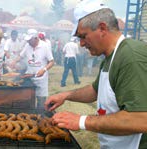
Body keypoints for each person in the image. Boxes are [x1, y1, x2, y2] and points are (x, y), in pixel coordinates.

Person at [44, 0, 147, 148]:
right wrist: (65, 95)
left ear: (102, 28)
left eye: (83, 36)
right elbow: (95, 90)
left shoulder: (131, 57)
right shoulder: (110, 57)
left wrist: (81, 121)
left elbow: (141, 119)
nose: (81, 44)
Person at [12, 29, 54, 108]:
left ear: (36, 38)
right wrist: (14, 62)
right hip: (29, 79)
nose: (28, 42)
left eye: (30, 40)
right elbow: (21, 56)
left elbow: (51, 62)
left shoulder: (44, 46)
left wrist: (44, 70)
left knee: (41, 103)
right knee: (28, 102)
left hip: (41, 79)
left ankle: (40, 117)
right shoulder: (28, 46)